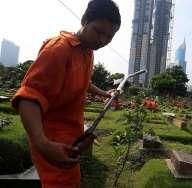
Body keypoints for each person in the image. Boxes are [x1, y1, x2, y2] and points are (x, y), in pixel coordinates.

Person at [11, 0, 121, 187]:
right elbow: (29, 96)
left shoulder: (86, 51)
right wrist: (42, 143)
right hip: (52, 142)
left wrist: (105, 93)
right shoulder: (58, 50)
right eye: (98, 31)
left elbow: (84, 81)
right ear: (85, 20)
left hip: (71, 139)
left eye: (109, 36)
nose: (102, 40)